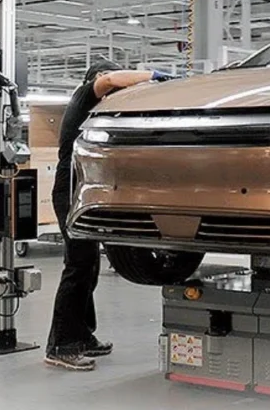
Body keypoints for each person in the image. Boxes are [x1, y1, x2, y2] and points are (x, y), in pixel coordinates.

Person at [45, 60, 176, 371]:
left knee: (89, 266)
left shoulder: (99, 113)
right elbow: (110, 80)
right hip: (72, 191)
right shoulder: (83, 96)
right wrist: (154, 75)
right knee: (77, 266)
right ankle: (60, 345)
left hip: (87, 190)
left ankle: (81, 335)